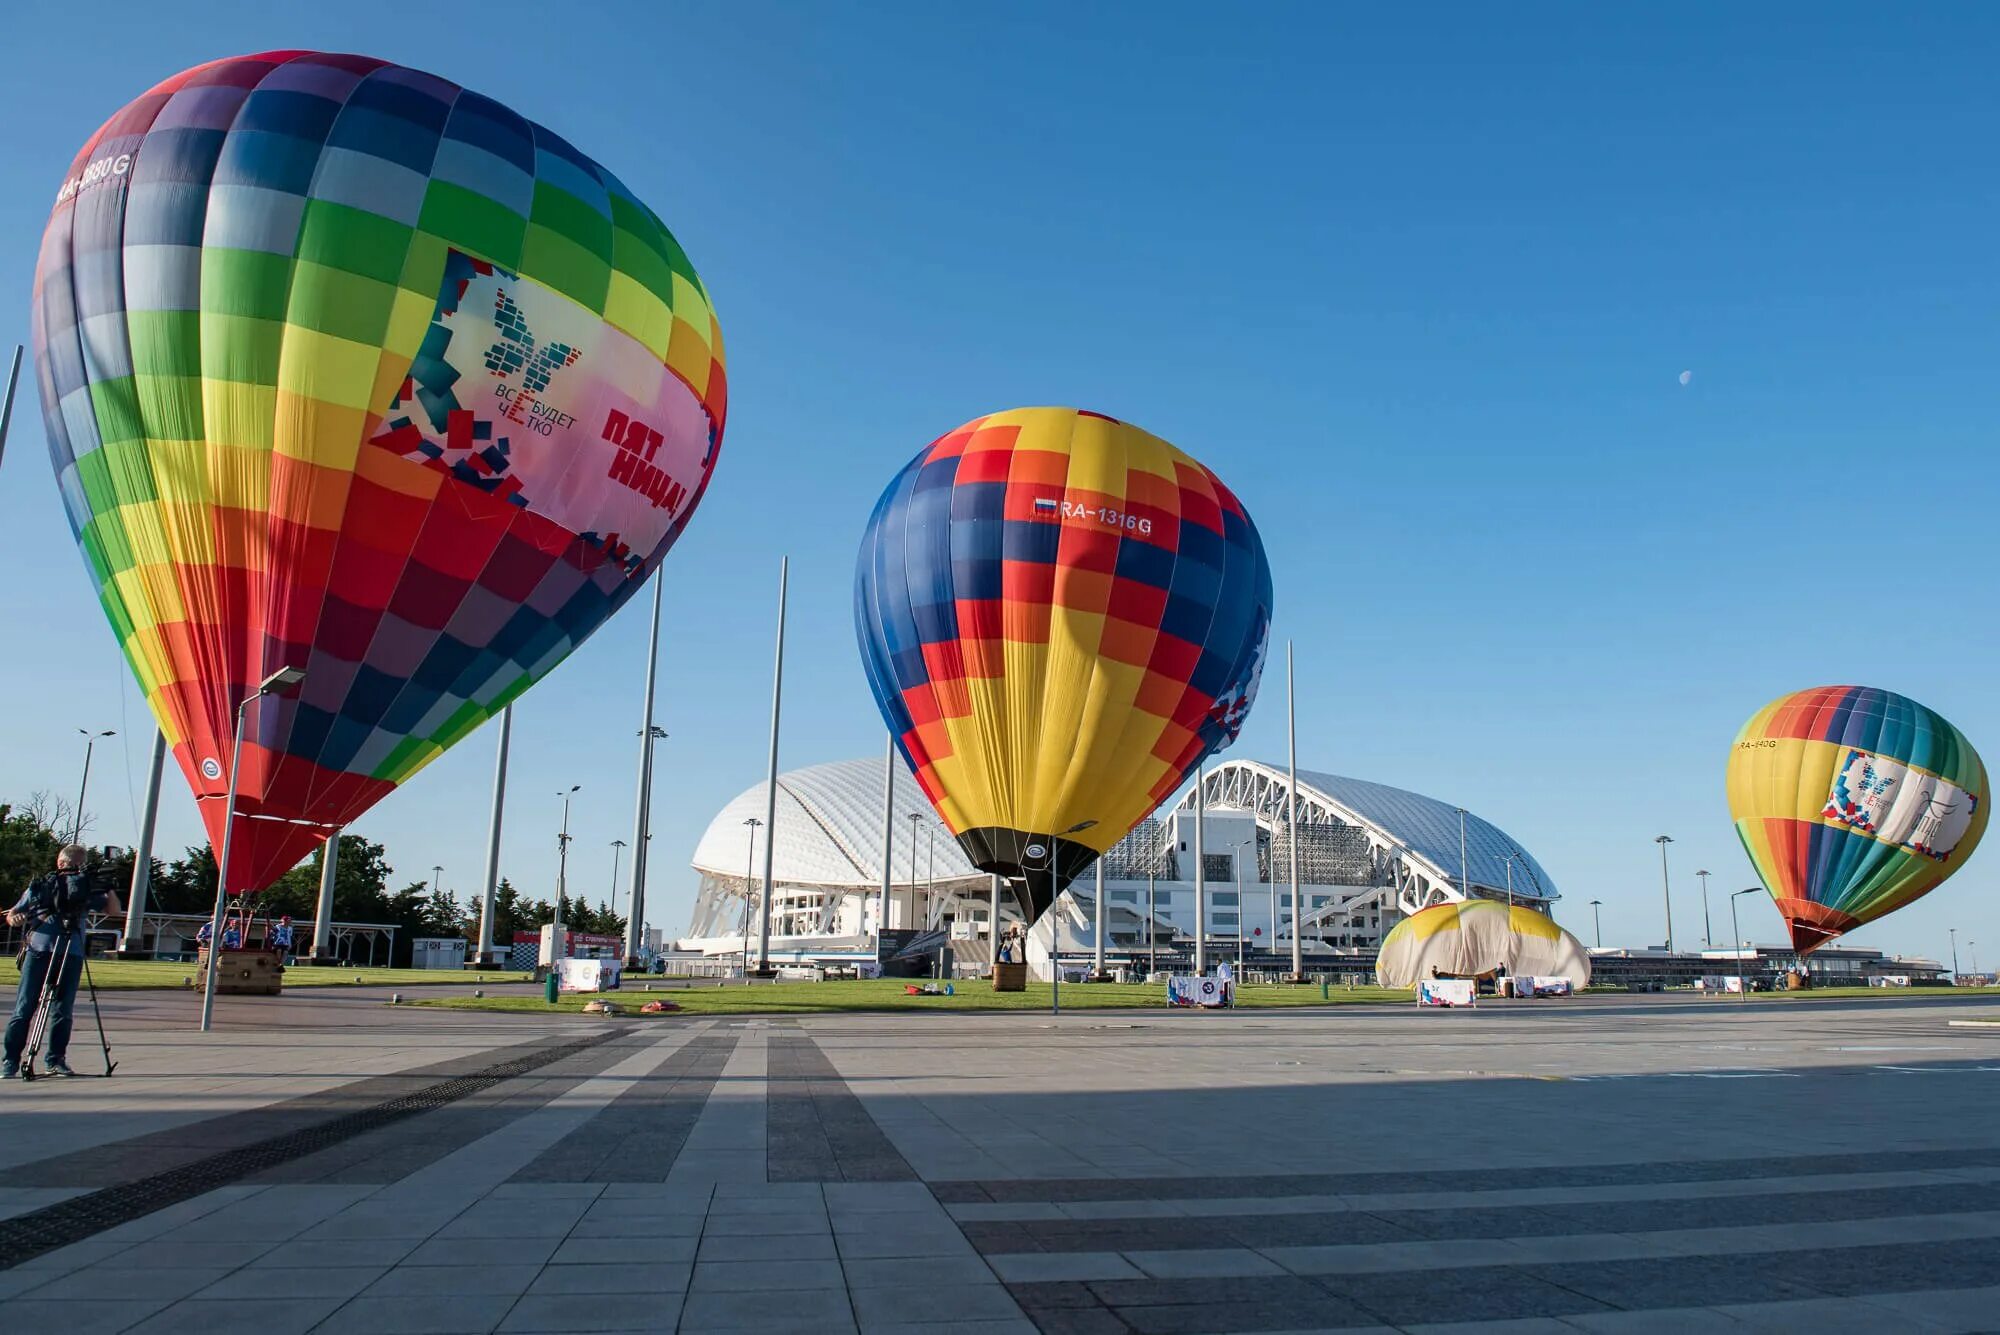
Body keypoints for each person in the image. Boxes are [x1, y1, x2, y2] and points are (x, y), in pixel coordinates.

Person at [5, 844, 120, 1079]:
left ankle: (10, 1062)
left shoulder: (42, 885)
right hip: (71, 951)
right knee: (62, 1009)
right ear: (81, 863)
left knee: (25, 1007)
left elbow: (14, 914)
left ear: (59, 862)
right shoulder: (84, 886)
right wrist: (106, 884)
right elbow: (115, 911)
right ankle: (55, 1060)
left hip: (39, 948)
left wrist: (14, 919)